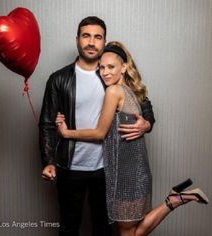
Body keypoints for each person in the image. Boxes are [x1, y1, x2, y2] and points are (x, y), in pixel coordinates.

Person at [56, 41, 209, 236]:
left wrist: (66, 133)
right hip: (136, 171)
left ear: (124, 67)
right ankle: (175, 199)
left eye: (111, 67)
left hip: (126, 175)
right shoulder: (132, 91)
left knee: (129, 233)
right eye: (101, 67)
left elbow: (99, 133)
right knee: (131, 232)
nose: (105, 72)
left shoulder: (113, 91)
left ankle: (177, 199)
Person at [38, 16, 155, 236]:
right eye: (86, 36)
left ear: (104, 41)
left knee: (103, 228)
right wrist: (48, 161)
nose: (91, 42)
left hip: (106, 168)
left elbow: (143, 102)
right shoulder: (58, 79)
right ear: (77, 40)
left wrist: (146, 124)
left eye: (97, 37)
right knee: (69, 227)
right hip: (70, 166)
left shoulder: (111, 74)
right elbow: (46, 123)